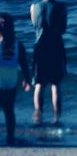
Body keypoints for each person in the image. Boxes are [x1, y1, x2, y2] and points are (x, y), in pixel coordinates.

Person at [30, 0, 67, 123]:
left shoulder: (34, 7)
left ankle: (38, 116)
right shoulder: (61, 7)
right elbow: (63, 28)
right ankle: (56, 118)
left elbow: (34, 25)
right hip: (56, 46)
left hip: (39, 46)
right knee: (55, 84)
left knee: (39, 84)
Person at [0, 13, 32, 146]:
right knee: (9, 110)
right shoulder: (19, 45)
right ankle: (10, 138)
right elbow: (24, 65)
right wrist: (27, 80)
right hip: (12, 78)